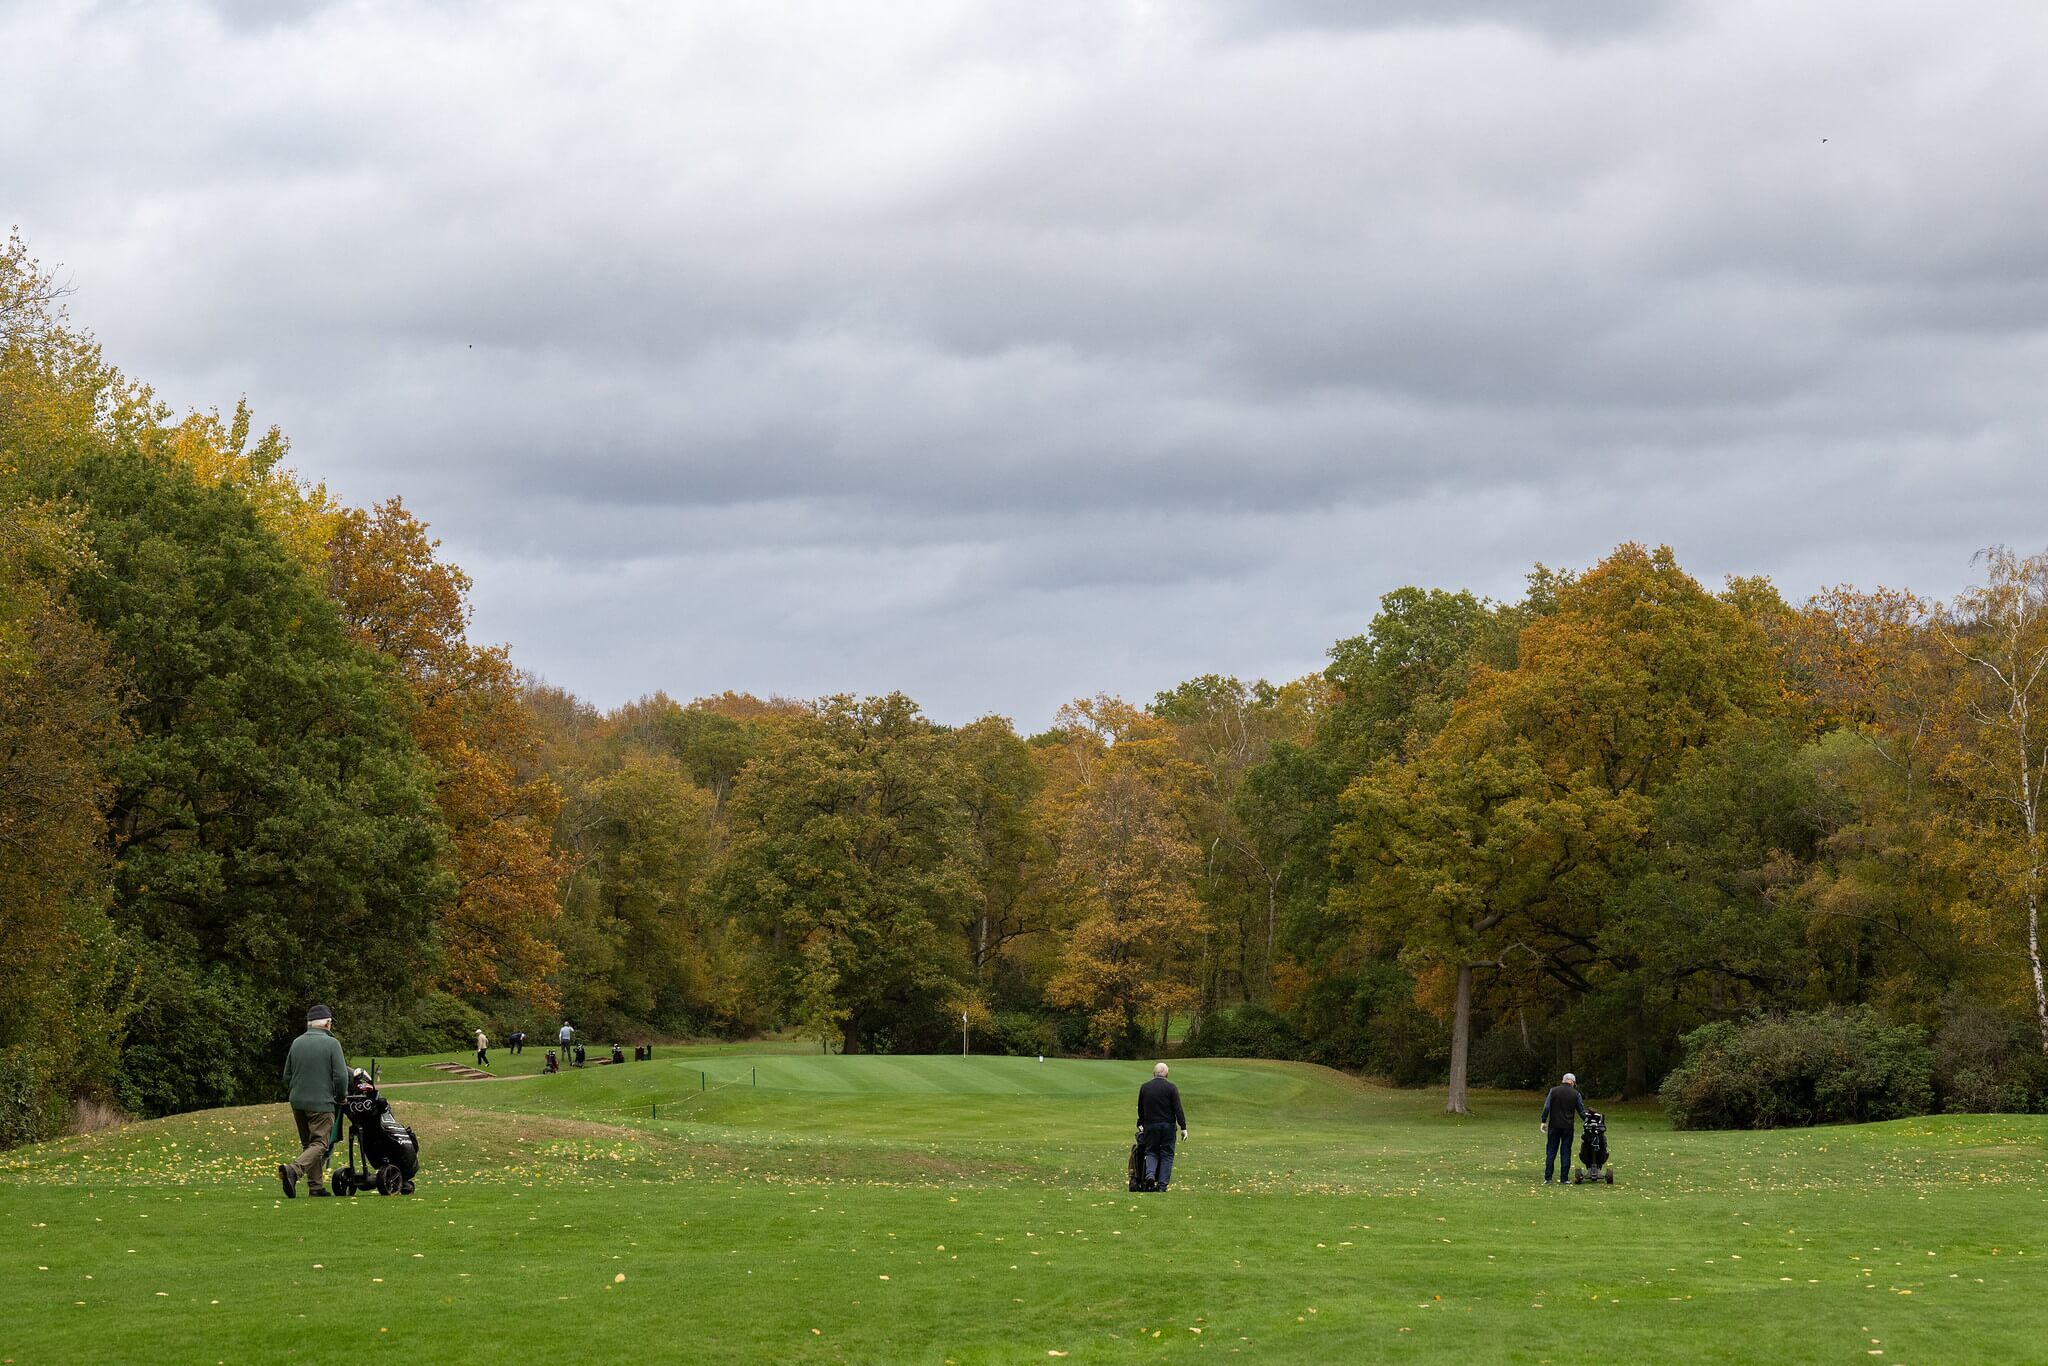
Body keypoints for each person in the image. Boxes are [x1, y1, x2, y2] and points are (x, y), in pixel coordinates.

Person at [278, 1003, 349, 1199]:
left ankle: (316, 1187)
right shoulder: (332, 1044)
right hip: (322, 1103)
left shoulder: (297, 1043)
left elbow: (287, 1076)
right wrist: (341, 1096)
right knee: (320, 1144)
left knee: (309, 1144)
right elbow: (341, 1076)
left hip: (298, 1102)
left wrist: (296, 1091)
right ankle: (294, 1170)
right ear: (327, 1023)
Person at [1136, 1062, 1189, 1192]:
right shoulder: (1171, 1088)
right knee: (1167, 1154)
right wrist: (1183, 1127)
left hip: (1151, 1126)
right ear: (1167, 1074)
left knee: (1151, 1152)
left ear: (1154, 1073)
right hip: (1168, 1126)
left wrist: (1141, 1124)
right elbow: (1178, 1109)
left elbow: (1141, 1109)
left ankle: (1150, 1175)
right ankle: (1162, 1186)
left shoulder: (1145, 1087)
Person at [1540, 1071, 1588, 1185]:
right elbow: (1581, 1111)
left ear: (1563, 1080)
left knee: (1551, 1151)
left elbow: (1546, 1107)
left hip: (1554, 1126)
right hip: (1567, 1127)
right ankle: (1564, 1178)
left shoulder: (1553, 1090)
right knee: (1565, 1151)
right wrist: (1588, 1120)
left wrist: (1543, 1121)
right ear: (1572, 1082)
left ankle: (1548, 1178)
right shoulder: (1575, 1094)